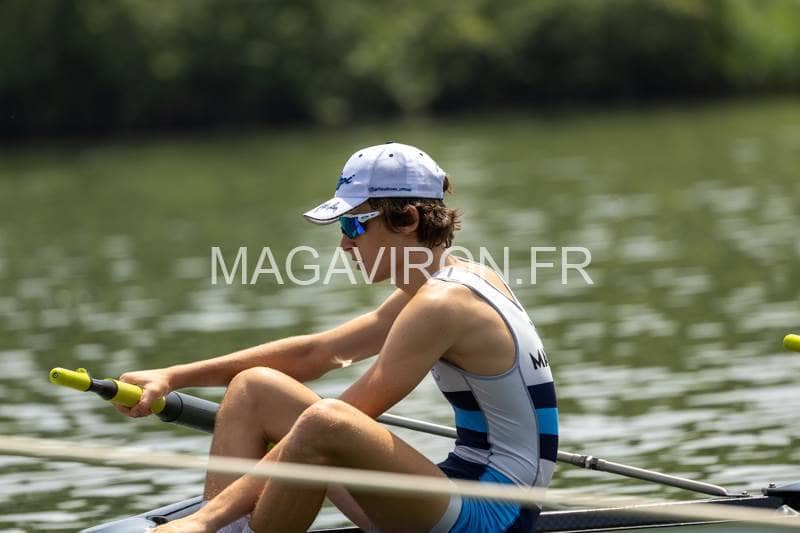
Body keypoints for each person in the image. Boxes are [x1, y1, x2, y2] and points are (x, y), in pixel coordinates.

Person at [117, 142, 558, 532]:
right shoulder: (445, 283)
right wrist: (171, 376)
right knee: (255, 389)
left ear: (407, 219)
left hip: (495, 515)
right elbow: (319, 353)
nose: (344, 245)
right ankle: (227, 528)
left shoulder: (443, 304)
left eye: (353, 226)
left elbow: (338, 419)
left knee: (326, 421)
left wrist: (201, 520)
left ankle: (209, 524)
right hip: (454, 489)